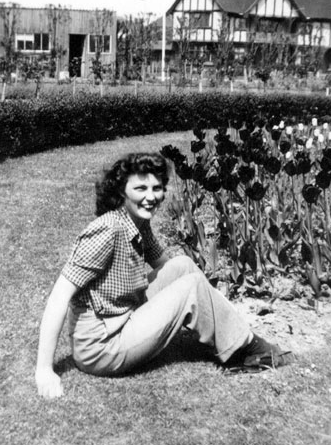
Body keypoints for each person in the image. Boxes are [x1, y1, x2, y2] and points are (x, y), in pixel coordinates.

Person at [35, 152, 291, 399]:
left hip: (123, 315)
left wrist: (198, 306)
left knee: (183, 266)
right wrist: (44, 370)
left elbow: (170, 268)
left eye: (156, 188)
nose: (151, 197)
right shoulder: (106, 230)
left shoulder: (136, 221)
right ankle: (247, 348)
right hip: (101, 345)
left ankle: (227, 333)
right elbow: (59, 297)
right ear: (121, 191)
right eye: (140, 189)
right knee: (190, 286)